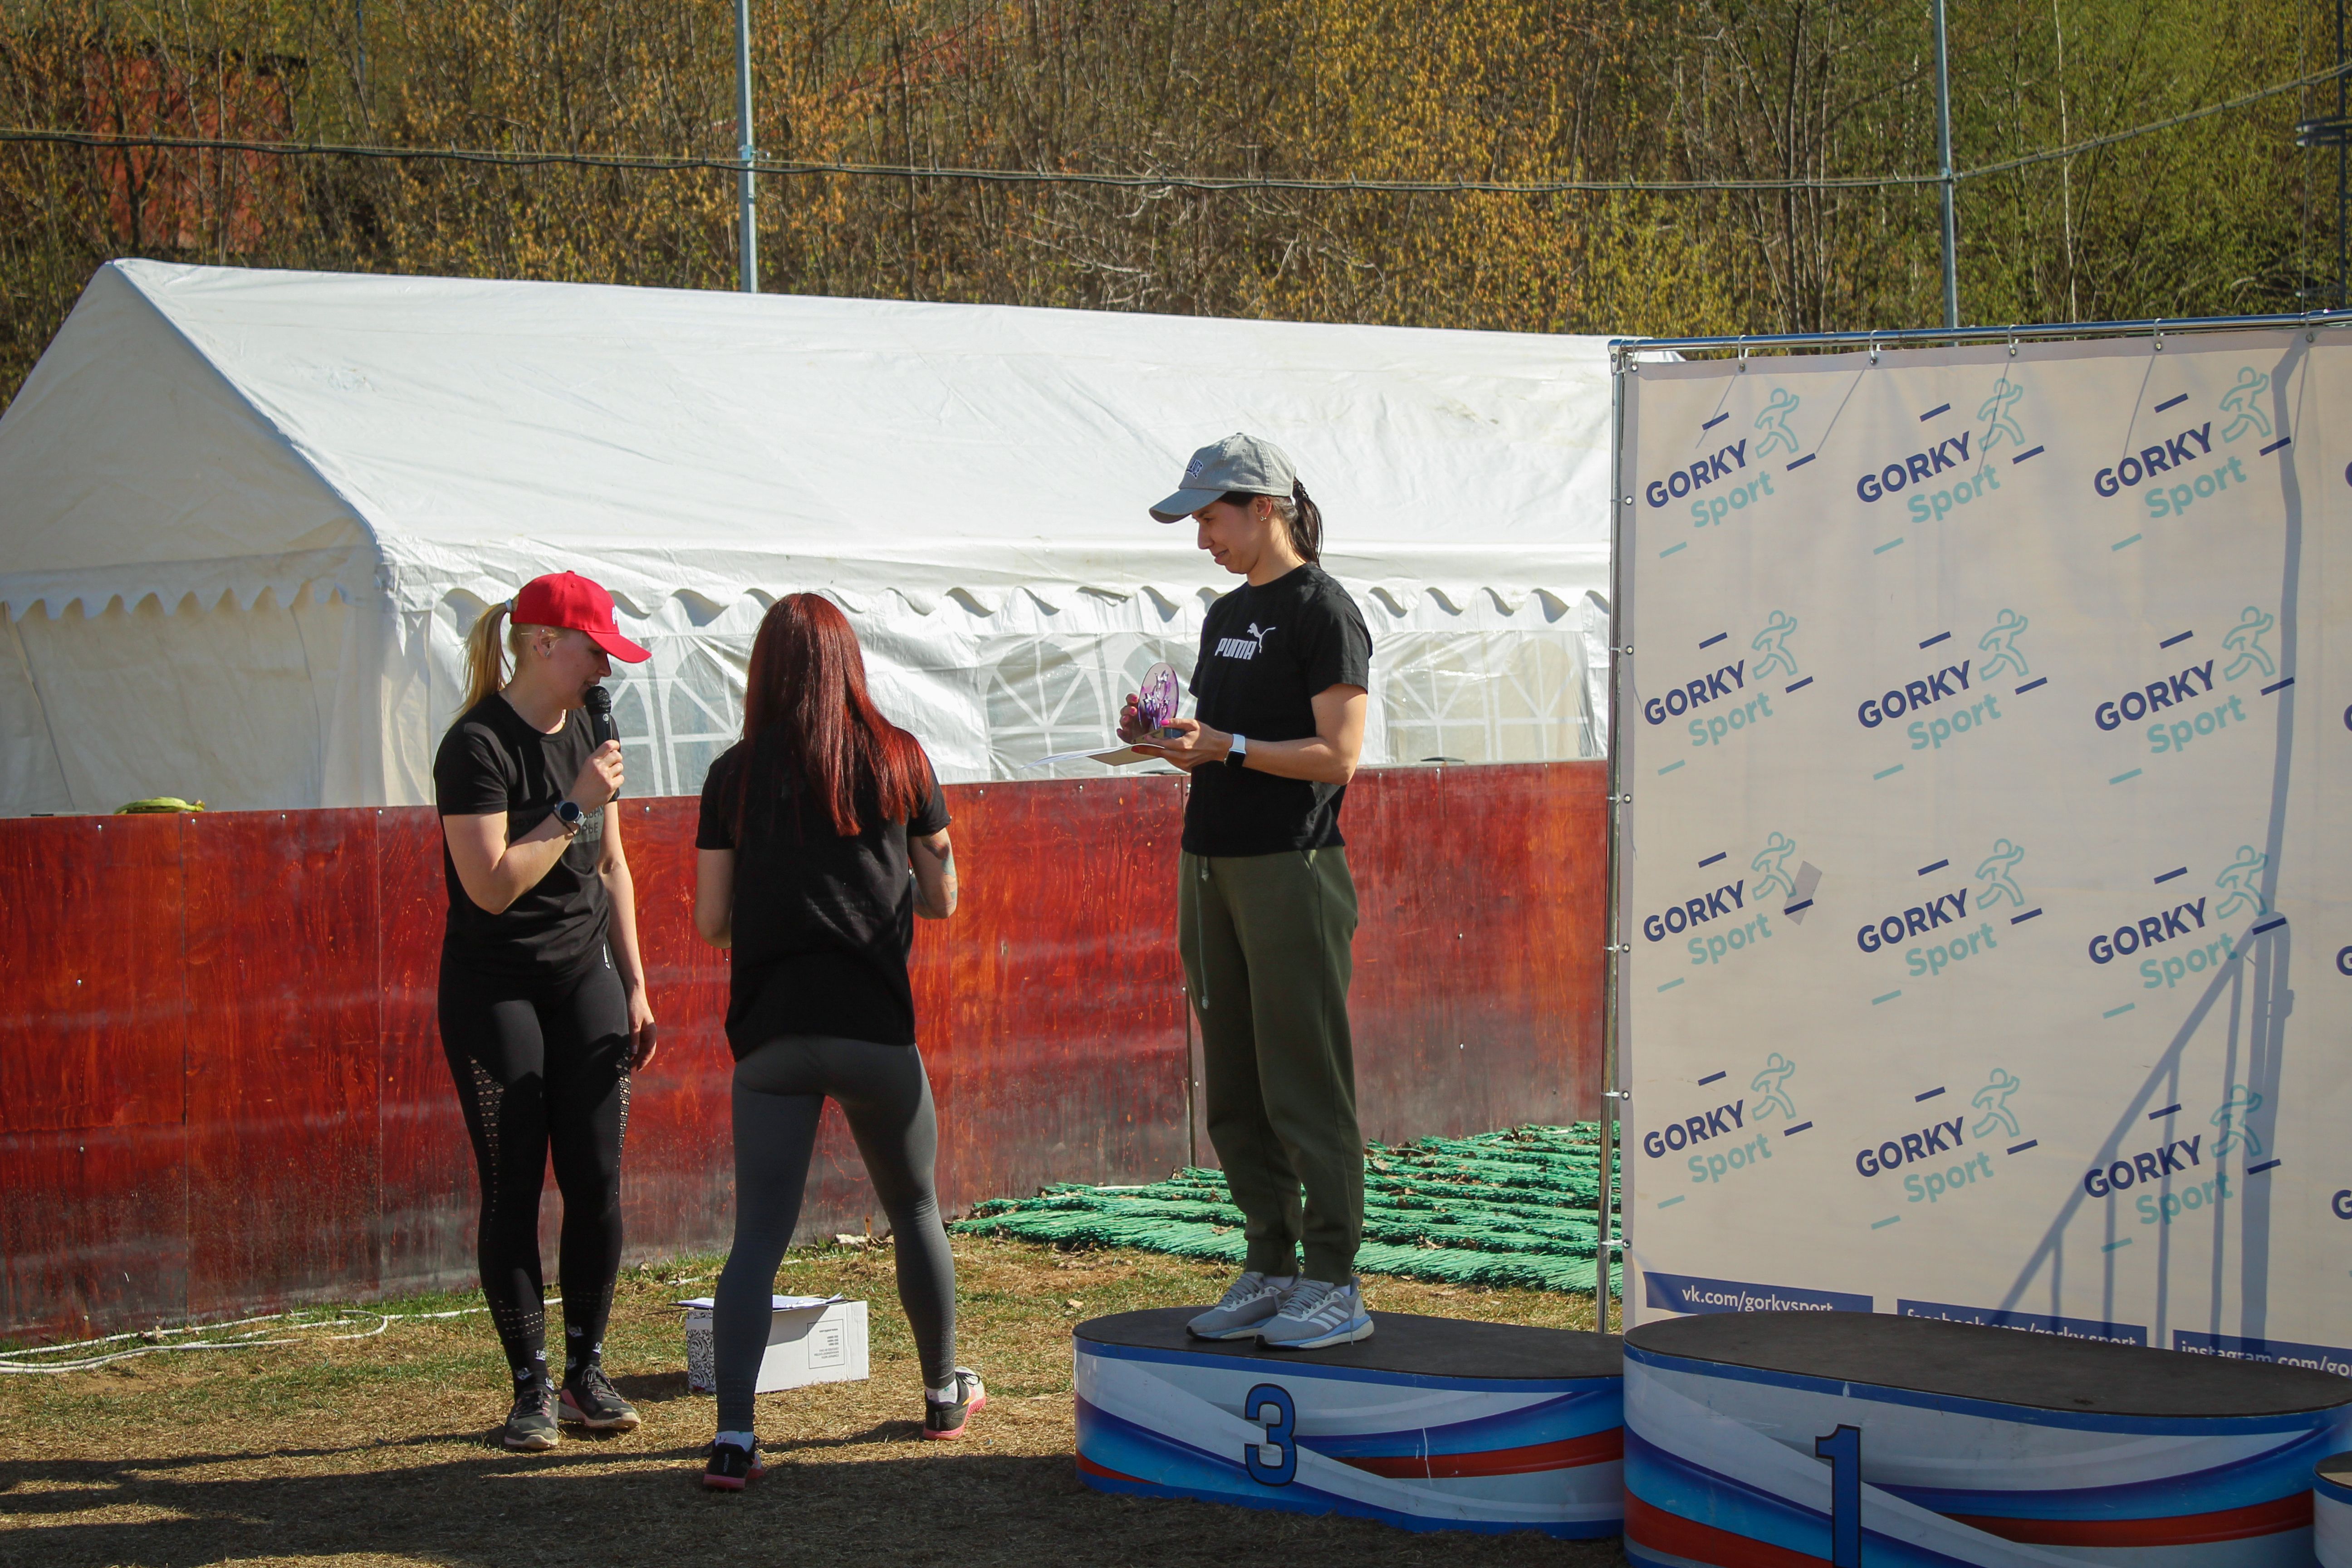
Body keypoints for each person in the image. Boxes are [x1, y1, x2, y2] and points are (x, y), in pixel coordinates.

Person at [691, 593, 979, 1491]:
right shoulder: (901, 760)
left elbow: (710, 923)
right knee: (916, 1209)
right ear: (849, 664)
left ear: (765, 671)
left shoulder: (732, 777)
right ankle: (942, 1394)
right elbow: (943, 899)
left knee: (757, 1239)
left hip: (772, 1036)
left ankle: (734, 1438)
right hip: (874, 1031)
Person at [1120, 432, 1373, 1351]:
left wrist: (1223, 746)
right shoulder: (1226, 614)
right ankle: (1271, 1260)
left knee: (1304, 1078)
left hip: (1291, 867)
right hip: (1209, 861)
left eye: (1211, 519)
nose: (1202, 539)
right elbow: (1225, 743)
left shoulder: (1325, 610)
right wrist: (1172, 740)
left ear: (1263, 508)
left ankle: (1335, 1279)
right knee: (1233, 1080)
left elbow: (1338, 757)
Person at [434, 571, 659, 1452]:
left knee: (597, 1181)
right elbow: (490, 887)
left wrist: (635, 982)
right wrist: (573, 805)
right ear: (541, 644)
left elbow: (613, 865)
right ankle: (529, 1387)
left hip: (584, 977)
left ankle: (584, 1373)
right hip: (495, 987)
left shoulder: (596, 730)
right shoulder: (476, 744)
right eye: (595, 652)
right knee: (515, 1183)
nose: (606, 670)